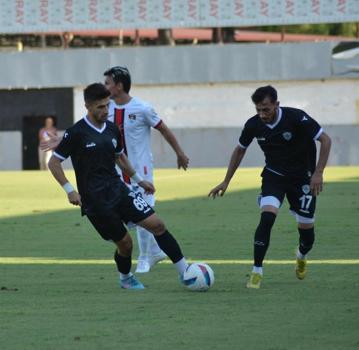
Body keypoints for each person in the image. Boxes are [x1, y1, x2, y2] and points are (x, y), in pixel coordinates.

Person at [48, 83, 189, 290]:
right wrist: (70, 190)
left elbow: (119, 156)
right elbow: (54, 162)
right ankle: (125, 278)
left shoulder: (112, 128)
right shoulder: (76, 132)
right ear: (87, 106)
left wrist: (139, 180)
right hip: (95, 201)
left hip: (119, 189)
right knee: (125, 244)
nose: (106, 111)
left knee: (157, 224)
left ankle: (186, 272)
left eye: (107, 105)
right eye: (100, 107)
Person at [208, 85, 331, 289]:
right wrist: (226, 180)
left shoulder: (296, 118)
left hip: (303, 179)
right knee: (267, 217)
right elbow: (239, 151)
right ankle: (257, 271)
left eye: (266, 109)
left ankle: (301, 255)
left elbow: (325, 140)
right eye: (258, 109)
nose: (262, 114)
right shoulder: (253, 125)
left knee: (307, 232)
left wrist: (318, 173)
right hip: (274, 176)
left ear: (276, 104)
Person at [103, 66, 189, 273]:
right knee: (132, 214)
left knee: (141, 209)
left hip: (140, 169)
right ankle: (154, 252)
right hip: (116, 170)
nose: (104, 86)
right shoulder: (107, 108)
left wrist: (179, 153)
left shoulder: (142, 108)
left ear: (119, 85)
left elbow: (164, 129)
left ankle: (145, 256)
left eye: (107, 83)